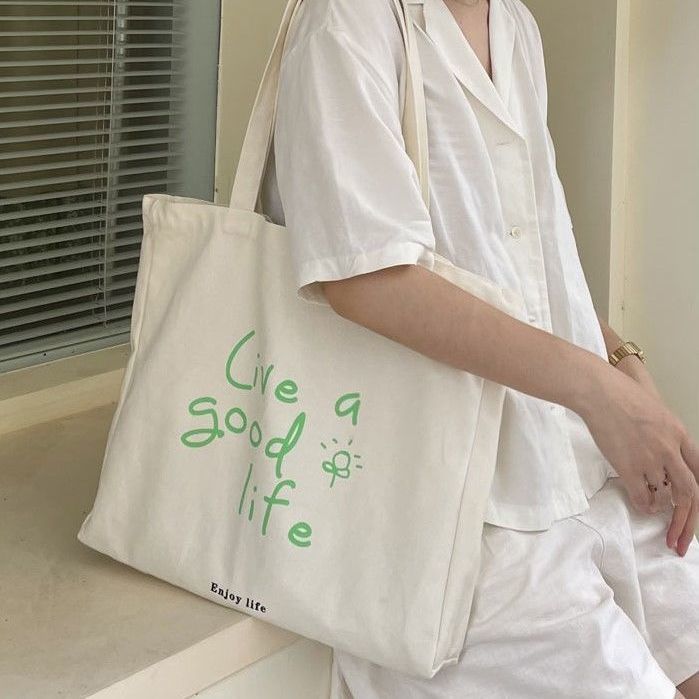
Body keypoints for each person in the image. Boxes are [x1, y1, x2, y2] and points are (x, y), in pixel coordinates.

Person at [260, 0, 699, 696]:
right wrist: (598, 391)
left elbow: (524, 258)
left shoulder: (514, 26)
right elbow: (363, 278)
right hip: (460, 514)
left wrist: (623, 368)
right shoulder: (348, 21)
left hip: (577, 463)